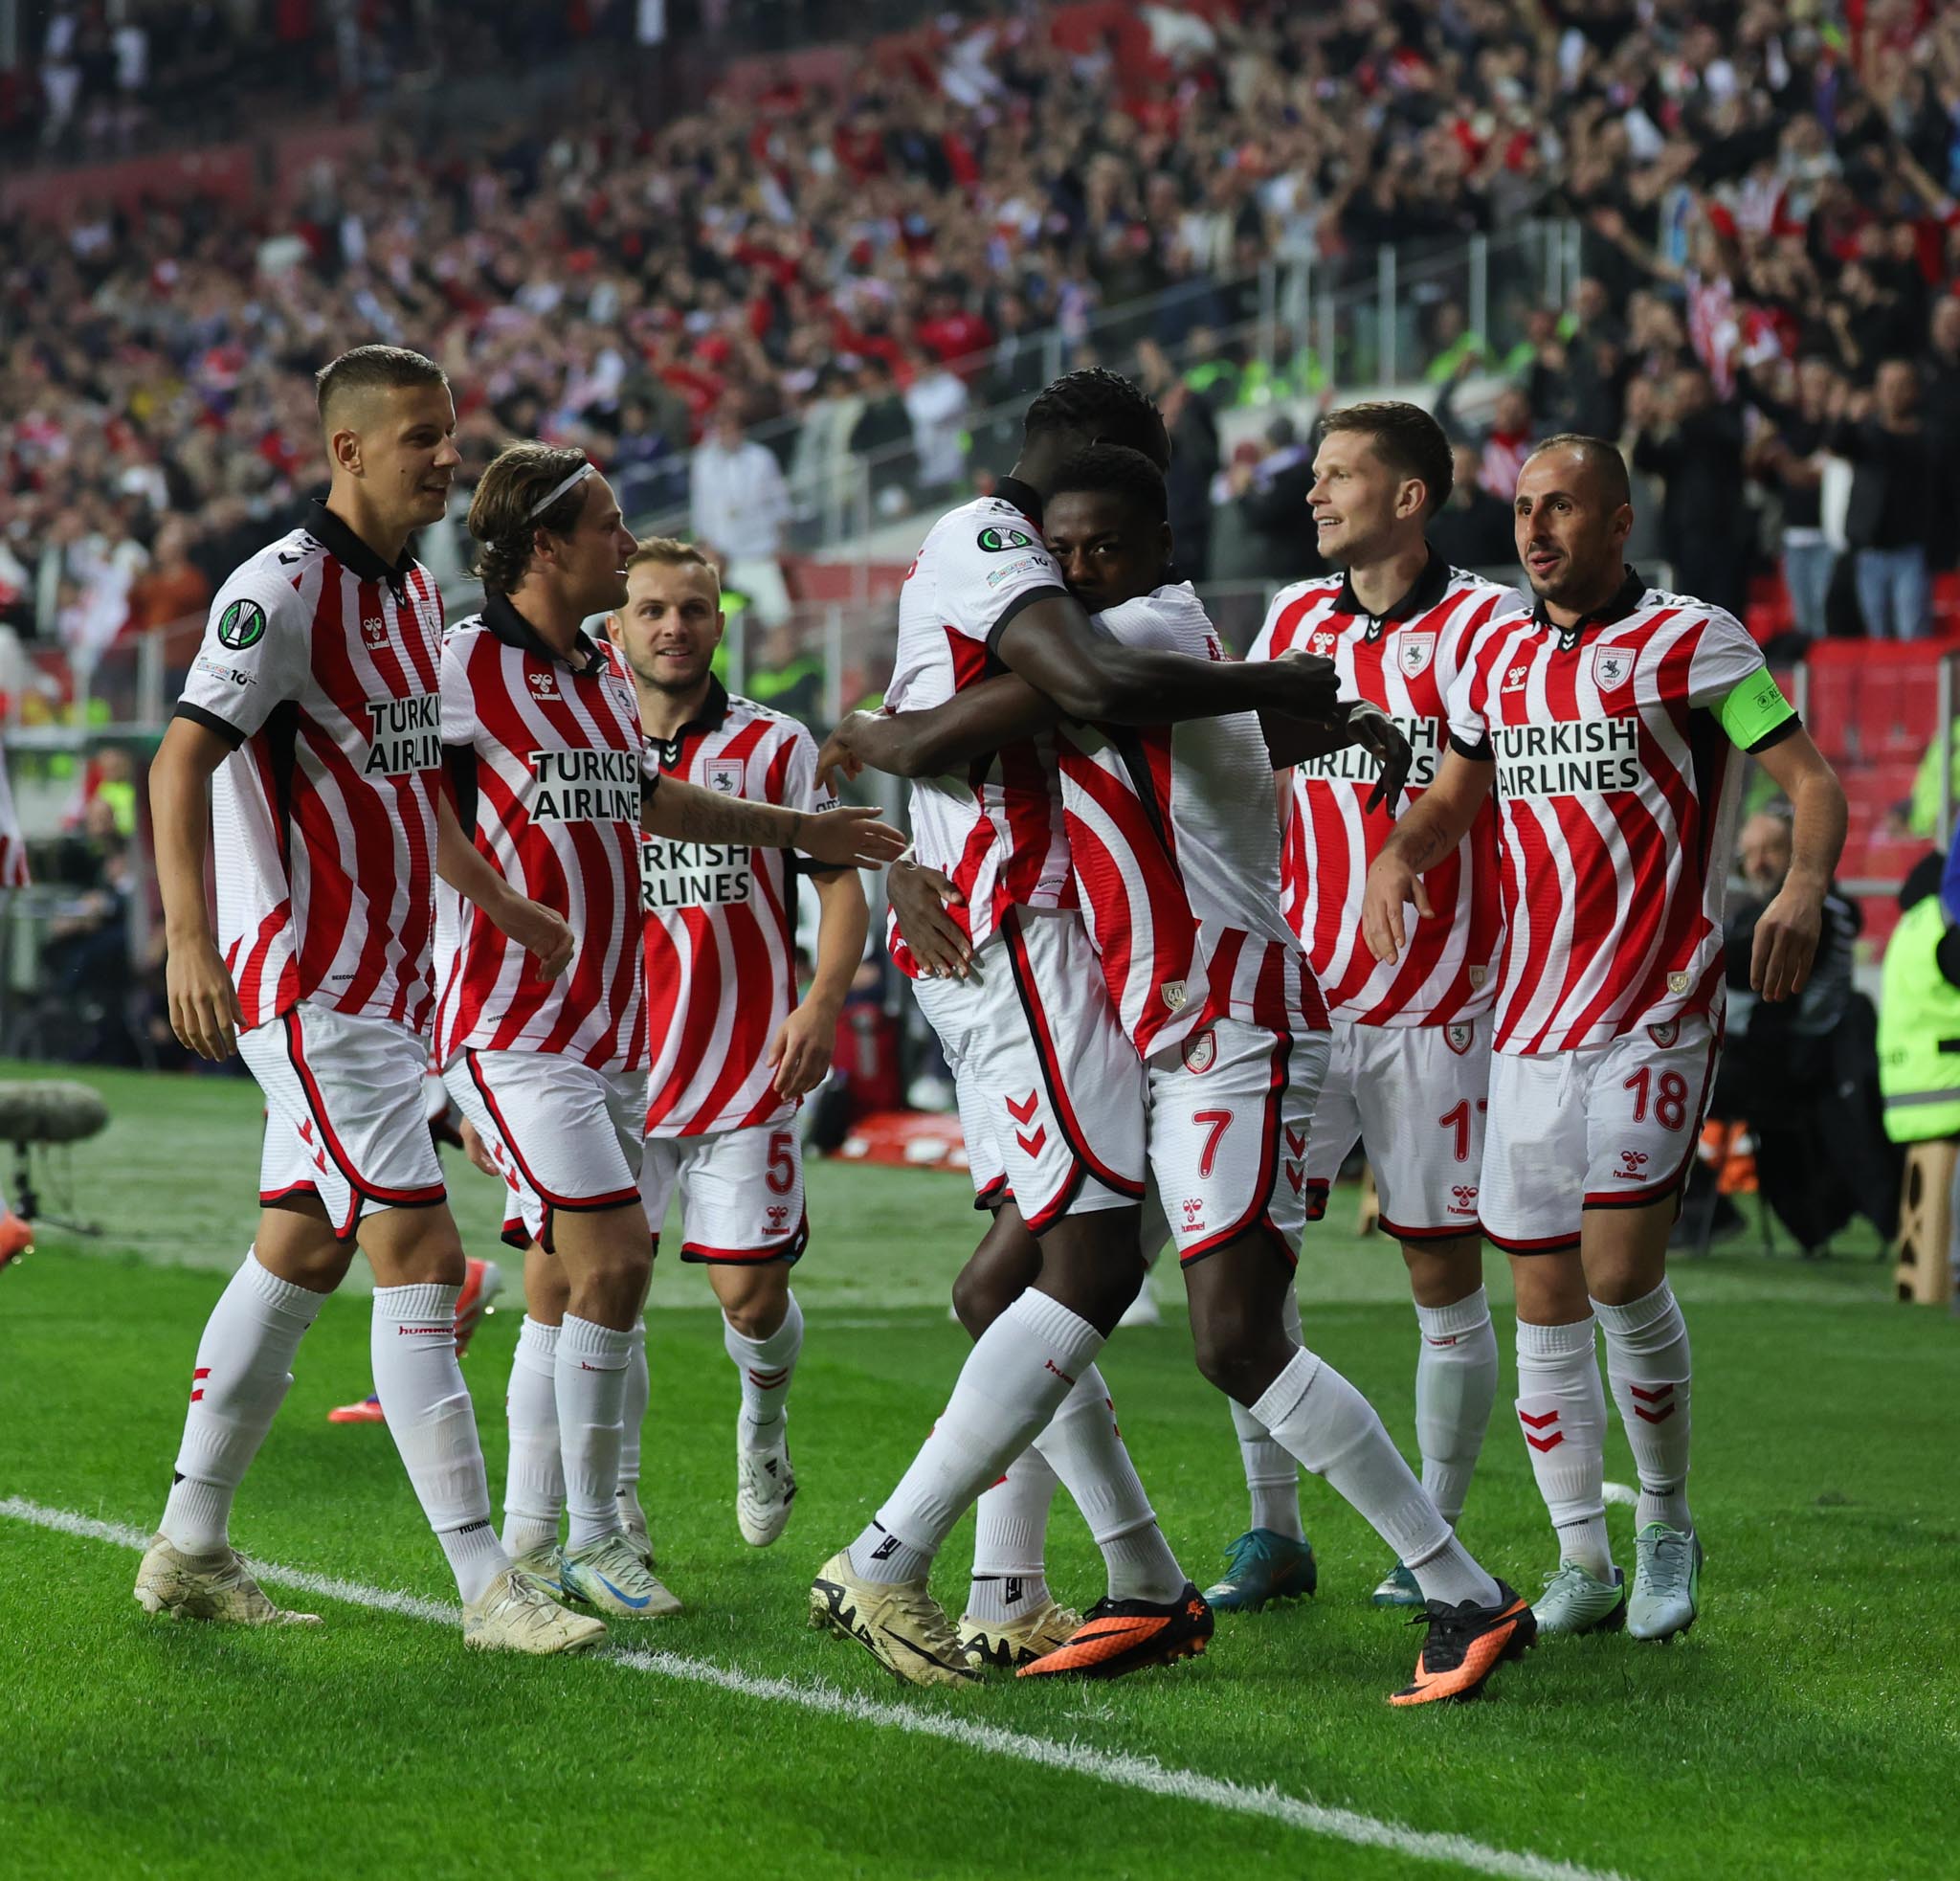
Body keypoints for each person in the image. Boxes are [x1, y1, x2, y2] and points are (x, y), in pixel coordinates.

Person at [828, 438, 1536, 1708]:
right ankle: (1133, 1584)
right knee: (1013, 1283)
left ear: (1161, 549)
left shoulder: (1129, 639)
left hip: (1233, 1023)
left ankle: (1463, 1590)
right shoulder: (1132, 649)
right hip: (1166, 1026)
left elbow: (949, 728)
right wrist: (908, 854)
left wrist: (865, 732)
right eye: (1064, 553)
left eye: (1106, 547)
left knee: (1234, 1337)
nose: (1081, 570)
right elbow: (1011, 748)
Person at [806, 369, 1347, 1691]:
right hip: (1018, 932)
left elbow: (990, 715)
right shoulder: (995, 536)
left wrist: (896, 758)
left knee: (1019, 1275)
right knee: (1091, 1262)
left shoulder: (1000, 560)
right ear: (1077, 462)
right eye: (1110, 488)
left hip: (1028, 931)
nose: (1092, 543)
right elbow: (1086, 684)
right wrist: (1278, 677)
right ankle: (886, 1555)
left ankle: (1043, 1584)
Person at [133, 346, 603, 1655]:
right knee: (426, 1258)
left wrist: (497, 899)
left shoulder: (411, 591)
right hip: (308, 984)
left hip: (387, 987)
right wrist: (190, 940)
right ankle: (487, 1585)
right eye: (420, 438)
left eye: (449, 433)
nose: (448, 456)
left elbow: (402, 784)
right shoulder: (278, 590)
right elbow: (177, 764)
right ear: (347, 450)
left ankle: (188, 1547)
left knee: (302, 1247)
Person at [1363, 433, 1847, 1643]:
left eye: (1563, 508)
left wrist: (1798, 887)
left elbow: (1809, 780)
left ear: (1619, 522)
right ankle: (1581, 1556)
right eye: (1524, 508)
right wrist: (1398, 854)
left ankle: (1666, 1523)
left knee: (1618, 1273)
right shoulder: (1491, 657)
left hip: (1654, 1008)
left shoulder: (1695, 643)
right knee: (1539, 1296)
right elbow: (1450, 798)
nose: (1535, 531)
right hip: (1525, 1024)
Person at [439, 447, 902, 1617]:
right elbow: (396, 808)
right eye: (616, 543)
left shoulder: (599, 684)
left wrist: (807, 868)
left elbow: (655, 803)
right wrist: (469, 978)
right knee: (589, 1272)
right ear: (555, 550)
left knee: (694, 1290)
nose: (670, 624)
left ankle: (554, 1533)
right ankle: (590, 1534)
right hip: (520, 1026)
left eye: (693, 608)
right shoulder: (460, 663)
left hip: (673, 1050)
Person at [1231, 402, 1515, 1612]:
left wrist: (1398, 854)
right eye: (1314, 474)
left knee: (1439, 1265)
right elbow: (1247, 772)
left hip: (1434, 998)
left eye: (1338, 475)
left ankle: (1429, 1538)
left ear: (1408, 497)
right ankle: (1272, 1532)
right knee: (1245, 1263)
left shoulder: (1484, 624)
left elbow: (1462, 785)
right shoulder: (1292, 618)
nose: (1313, 493)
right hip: (1299, 996)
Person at [605, 536, 870, 1552]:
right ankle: (615, 1508)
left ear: (720, 623)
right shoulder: (579, 737)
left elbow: (838, 882)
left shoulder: (775, 744)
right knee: (604, 1293)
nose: (674, 627)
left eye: (693, 610)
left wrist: (823, 1002)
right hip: (608, 1072)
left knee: (751, 1302)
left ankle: (763, 1426)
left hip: (745, 1066)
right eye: (653, 609)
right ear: (616, 626)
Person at [1828, 360, 1937, 640]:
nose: (1894, 393)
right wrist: (1850, 416)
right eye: (1888, 386)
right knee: (1878, 635)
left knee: (1913, 631)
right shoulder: (1865, 431)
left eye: (1902, 386)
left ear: (1914, 391)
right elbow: (1836, 445)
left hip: (1910, 549)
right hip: (1871, 550)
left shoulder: (1928, 435)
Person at [687, 403, 793, 629]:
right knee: (725, 623)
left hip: (759, 554)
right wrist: (707, 551)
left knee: (777, 617)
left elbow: (781, 506)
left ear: (740, 428)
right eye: (720, 427)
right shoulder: (703, 463)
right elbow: (700, 512)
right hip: (722, 559)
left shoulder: (761, 459)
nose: (725, 432)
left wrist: (779, 547)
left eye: (730, 426)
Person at [1427, 441, 1516, 571]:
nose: (1461, 472)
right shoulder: (1433, 520)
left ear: (1476, 468)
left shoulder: (1500, 512)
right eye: (1455, 466)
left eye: (1466, 465)